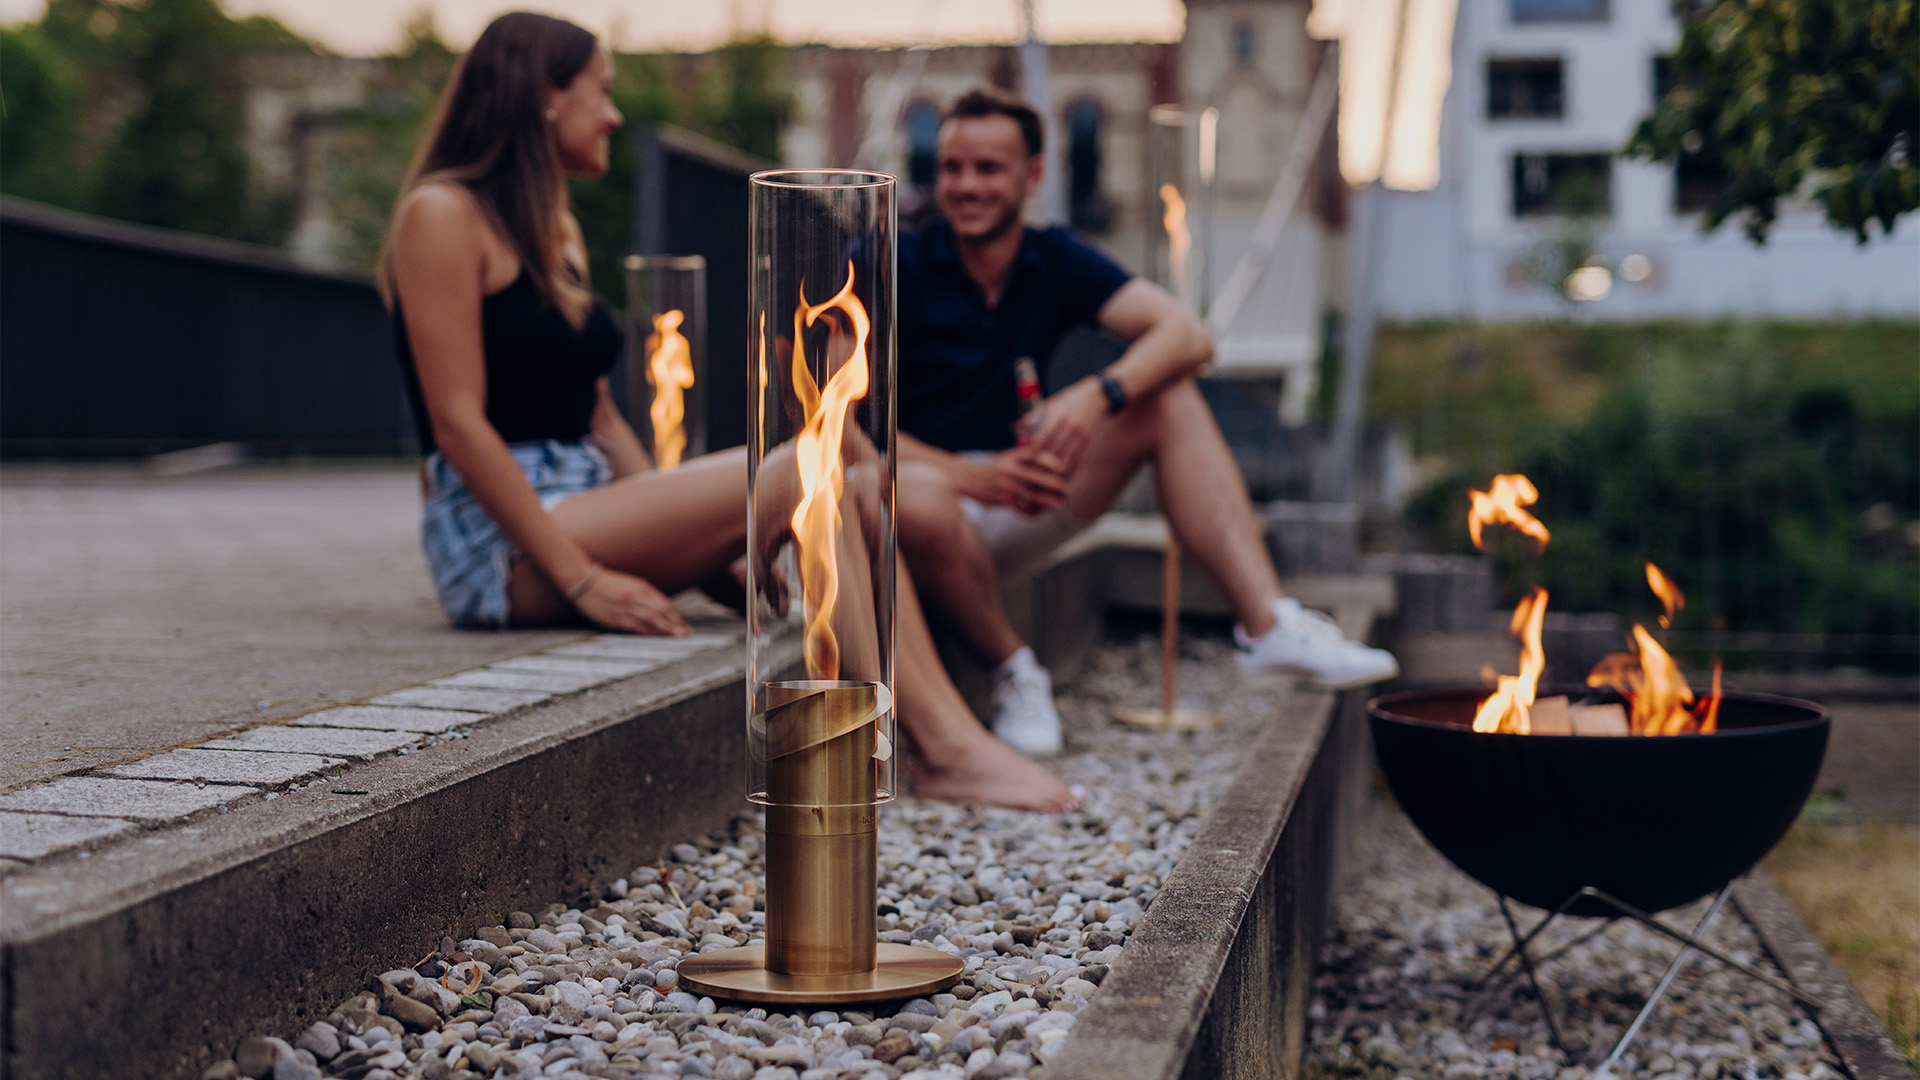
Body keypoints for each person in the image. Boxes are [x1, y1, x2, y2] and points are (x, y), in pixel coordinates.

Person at [379, 14, 1077, 811]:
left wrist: (709, 552)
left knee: (839, 473)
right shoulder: (439, 214)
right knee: (810, 457)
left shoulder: (550, 227)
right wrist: (587, 579)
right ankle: (949, 749)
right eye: (602, 91)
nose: (614, 114)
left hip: (581, 502)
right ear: (544, 96)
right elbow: (457, 425)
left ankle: (936, 730)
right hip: (497, 540)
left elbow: (601, 416)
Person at [895, 87, 1398, 756]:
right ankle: (1015, 672)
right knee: (920, 500)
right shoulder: (897, 259)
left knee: (1167, 397)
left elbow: (1188, 336)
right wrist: (968, 473)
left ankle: (1268, 625)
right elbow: (836, 428)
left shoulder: (1052, 257)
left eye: (988, 168)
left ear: (1033, 175)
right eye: (952, 167)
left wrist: (1091, 396)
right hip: (912, 502)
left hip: (1019, 499)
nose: (965, 185)